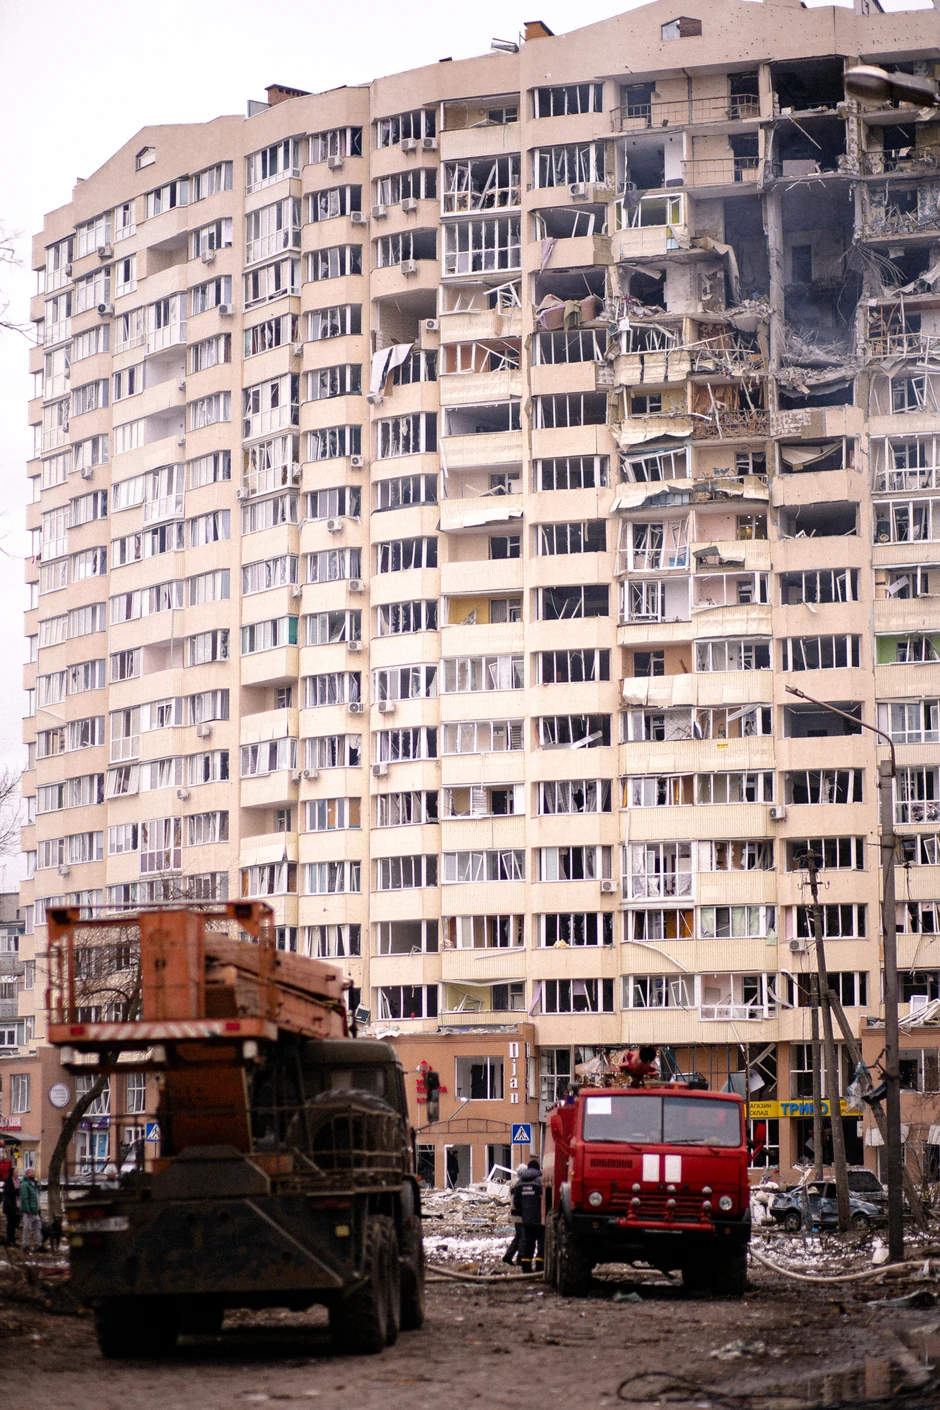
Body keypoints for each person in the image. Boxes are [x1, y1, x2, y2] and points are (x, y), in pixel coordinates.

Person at [512, 1157, 544, 1273]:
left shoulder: (520, 1182)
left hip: (526, 1218)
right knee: (542, 1241)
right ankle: (540, 1265)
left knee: (527, 1241)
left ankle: (526, 1266)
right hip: (540, 1218)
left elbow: (516, 1201)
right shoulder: (541, 1181)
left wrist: (522, 1213)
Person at [502, 1164, 528, 1266]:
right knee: (522, 1235)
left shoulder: (514, 1182)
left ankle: (510, 1256)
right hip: (519, 1212)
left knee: (519, 1235)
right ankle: (517, 1257)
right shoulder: (519, 1183)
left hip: (514, 1210)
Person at [19, 1169, 41, 1253]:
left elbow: (35, 1197)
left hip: (35, 1210)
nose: (33, 1173)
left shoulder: (33, 1184)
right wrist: (27, 1209)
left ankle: (39, 1245)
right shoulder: (25, 1184)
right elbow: (24, 1198)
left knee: (38, 1227)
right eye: (31, 1172)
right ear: (27, 1174)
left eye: (34, 1172)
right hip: (29, 1211)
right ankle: (25, 1246)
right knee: (27, 1228)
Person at [2, 1167, 19, 1247]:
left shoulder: (17, 1181)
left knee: (14, 1224)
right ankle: (10, 1240)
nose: (17, 1173)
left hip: (16, 1205)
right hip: (10, 1206)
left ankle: (13, 1240)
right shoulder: (9, 1181)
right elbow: (7, 1192)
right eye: (16, 1172)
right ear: (12, 1173)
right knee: (10, 1223)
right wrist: (16, 1191)